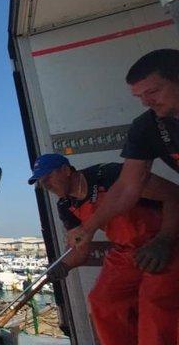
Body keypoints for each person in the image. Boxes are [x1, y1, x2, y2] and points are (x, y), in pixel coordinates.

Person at [29, 153, 179, 345]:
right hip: (127, 253)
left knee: (155, 310)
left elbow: (175, 196)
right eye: (40, 182)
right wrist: (64, 266)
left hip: (165, 242)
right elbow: (80, 251)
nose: (46, 184)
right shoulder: (66, 206)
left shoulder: (110, 175)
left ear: (65, 169)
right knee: (103, 302)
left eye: (48, 177)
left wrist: (165, 240)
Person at [68, 49, 179, 267]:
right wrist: (88, 228)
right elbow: (127, 187)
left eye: (153, 91)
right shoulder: (147, 127)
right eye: (139, 97)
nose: (146, 102)